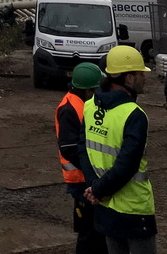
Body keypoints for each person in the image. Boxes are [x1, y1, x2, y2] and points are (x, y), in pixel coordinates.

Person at [79, 44, 157, 254]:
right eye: (141, 73)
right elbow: (127, 164)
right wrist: (97, 190)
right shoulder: (134, 115)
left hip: (104, 206)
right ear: (129, 78)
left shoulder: (90, 105)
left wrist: (94, 187)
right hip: (133, 208)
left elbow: (83, 149)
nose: (145, 77)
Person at [55, 62, 108, 254]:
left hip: (86, 176)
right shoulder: (69, 109)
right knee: (89, 231)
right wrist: (91, 168)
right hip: (80, 179)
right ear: (87, 90)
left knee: (96, 228)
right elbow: (69, 148)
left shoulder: (83, 103)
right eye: (95, 89)